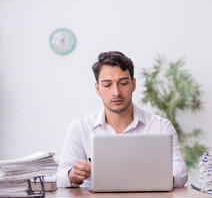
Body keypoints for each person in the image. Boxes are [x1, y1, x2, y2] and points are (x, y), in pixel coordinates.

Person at [57, 51, 188, 188]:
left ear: (133, 84)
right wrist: (73, 175)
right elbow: (61, 177)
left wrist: (160, 178)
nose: (116, 92)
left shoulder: (161, 126)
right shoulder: (80, 128)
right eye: (107, 85)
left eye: (123, 83)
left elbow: (181, 171)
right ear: (97, 89)